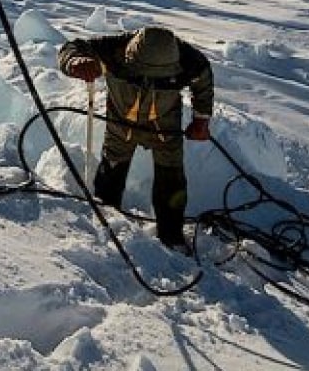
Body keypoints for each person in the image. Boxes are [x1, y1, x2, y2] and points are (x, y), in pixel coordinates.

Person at [57, 26, 214, 252]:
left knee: (171, 181)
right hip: (121, 125)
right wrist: (74, 61)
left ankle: (172, 236)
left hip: (164, 127)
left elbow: (203, 77)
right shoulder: (113, 47)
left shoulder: (188, 57)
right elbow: (71, 47)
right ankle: (105, 225)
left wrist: (201, 119)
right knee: (110, 174)